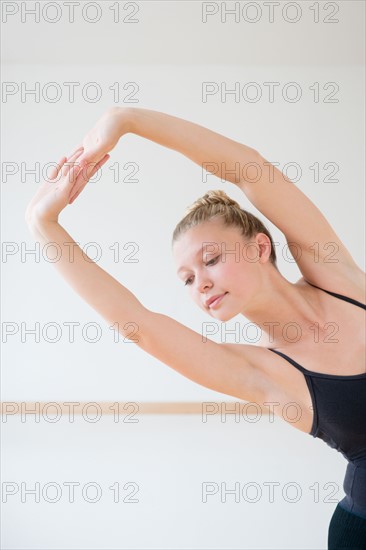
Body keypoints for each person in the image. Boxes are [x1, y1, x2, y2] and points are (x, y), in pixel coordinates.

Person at [25, 107, 366, 549]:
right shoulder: (263, 372)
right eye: (186, 279)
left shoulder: (340, 280)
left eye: (211, 260)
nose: (200, 282)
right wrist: (43, 224)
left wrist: (127, 120)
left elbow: (252, 171)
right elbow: (139, 325)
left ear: (260, 247)